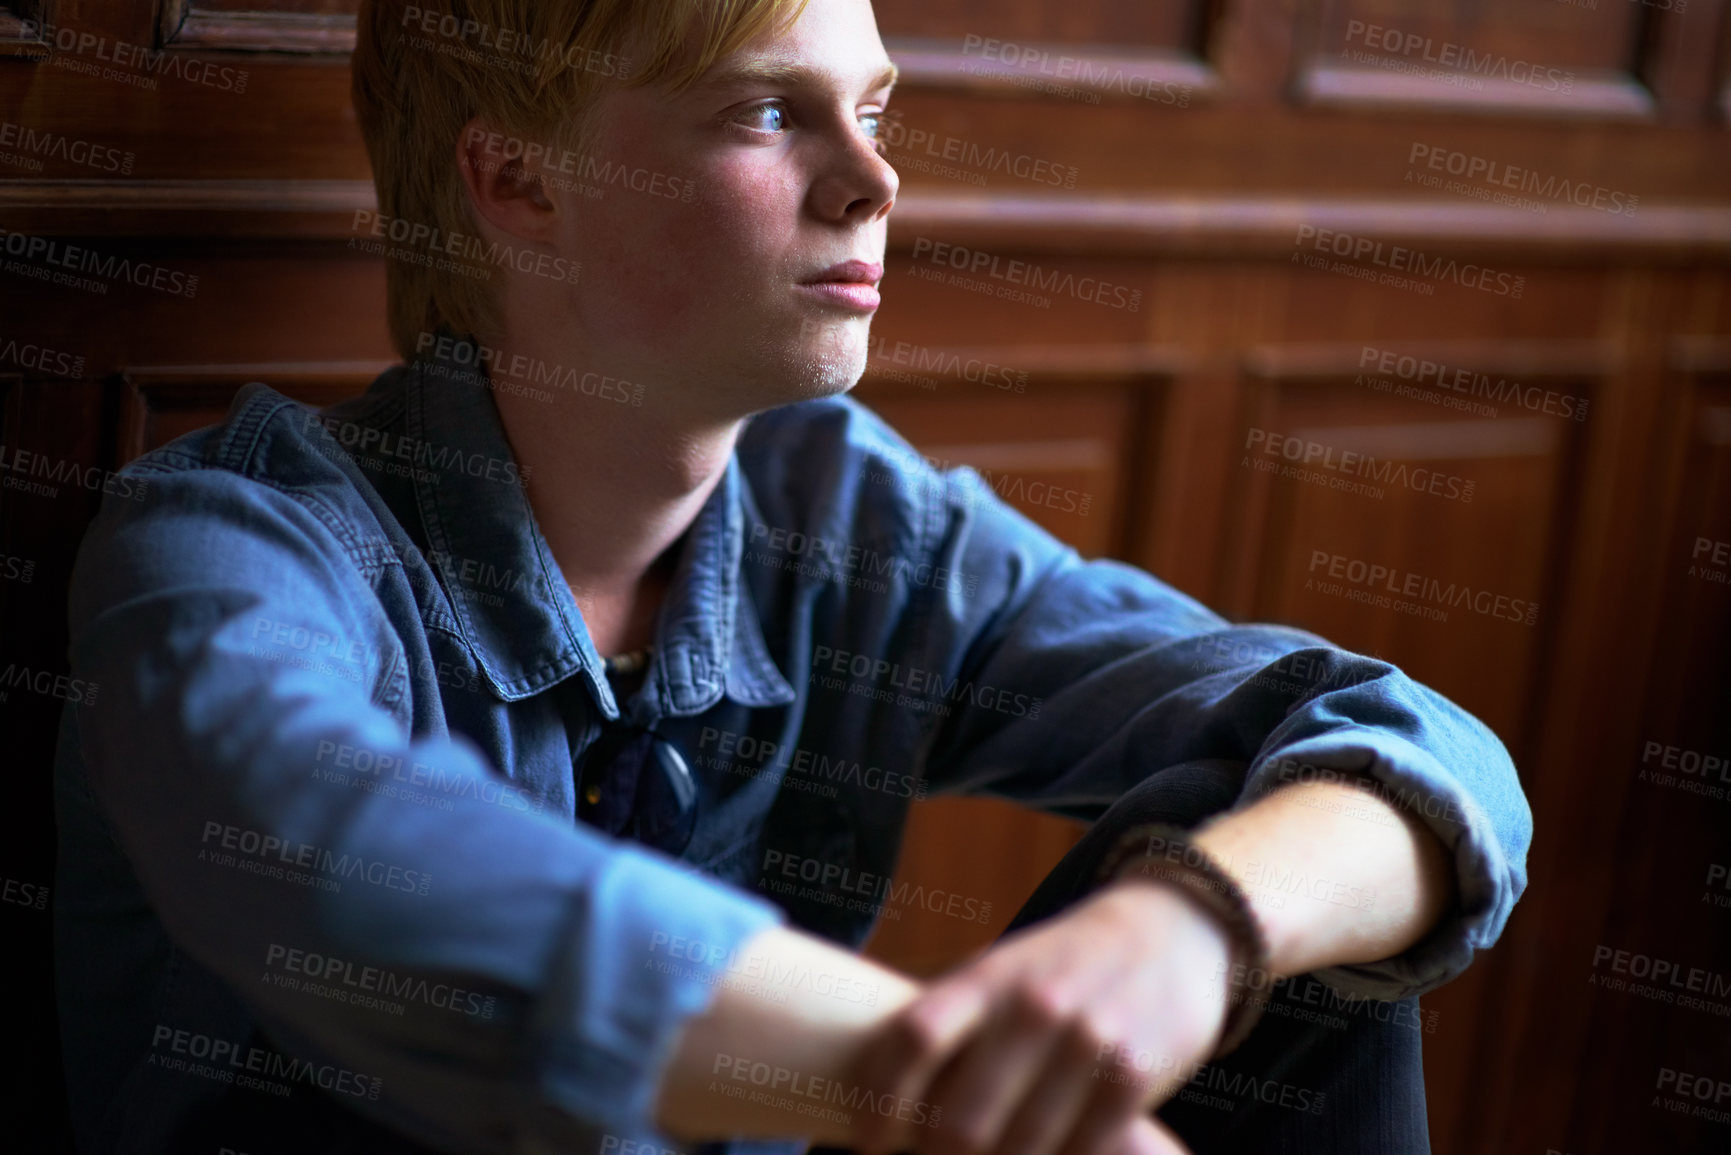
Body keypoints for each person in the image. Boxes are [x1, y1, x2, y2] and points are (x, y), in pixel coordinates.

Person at [51, 1, 1532, 1153]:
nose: (876, 179)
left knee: (1283, 897)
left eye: (877, 109)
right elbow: (337, 866)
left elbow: (1414, 744)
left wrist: (1190, 929)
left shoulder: (848, 511)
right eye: (770, 111)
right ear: (517, 180)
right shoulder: (231, 542)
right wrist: (953, 1085)